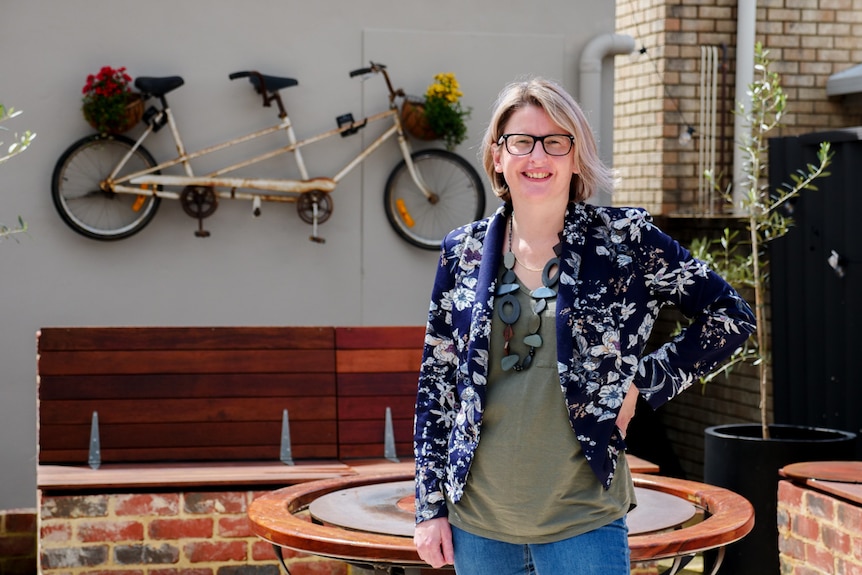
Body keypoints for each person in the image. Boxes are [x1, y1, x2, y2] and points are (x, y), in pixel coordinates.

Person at [412, 77, 756, 575]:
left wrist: (643, 383)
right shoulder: (461, 252)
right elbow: (437, 384)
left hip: (583, 522)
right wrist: (430, 508)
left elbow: (731, 317)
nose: (538, 157)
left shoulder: (625, 242)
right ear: (496, 155)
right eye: (522, 141)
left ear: (577, 157)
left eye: (556, 141)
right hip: (478, 526)